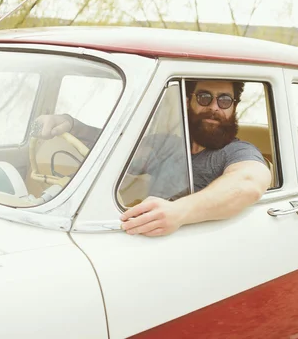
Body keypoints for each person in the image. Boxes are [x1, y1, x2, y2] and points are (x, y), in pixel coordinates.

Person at [34, 80, 271, 236]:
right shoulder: (166, 145)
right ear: (188, 101)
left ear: (233, 107)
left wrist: (178, 213)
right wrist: (72, 125)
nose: (215, 108)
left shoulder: (237, 151)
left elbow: (249, 183)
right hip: (146, 236)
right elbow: (120, 148)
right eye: (204, 98)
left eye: (225, 100)